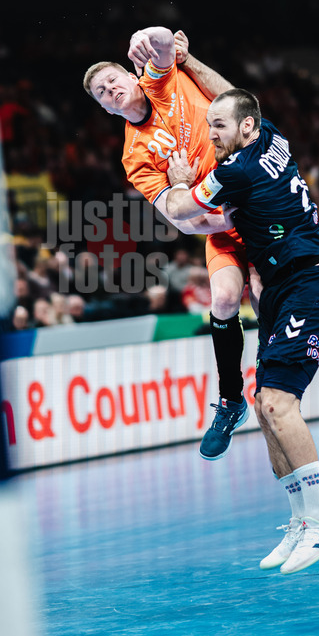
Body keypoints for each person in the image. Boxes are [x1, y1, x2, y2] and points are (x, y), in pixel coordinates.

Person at [165, 89, 319, 575]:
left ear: (246, 127)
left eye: (219, 127)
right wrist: (191, 60)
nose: (211, 136)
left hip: (310, 284)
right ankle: (302, 520)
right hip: (281, 291)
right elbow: (231, 91)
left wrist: (178, 180)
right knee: (266, 411)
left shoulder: (237, 170)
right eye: (209, 126)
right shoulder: (273, 138)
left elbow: (185, 211)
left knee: (276, 404)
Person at [84, 26, 255, 460]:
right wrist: (215, 213)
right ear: (104, 108)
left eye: (113, 80)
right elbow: (179, 216)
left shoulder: (158, 80)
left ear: (129, 74)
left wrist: (146, 36)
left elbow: (163, 43)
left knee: (269, 298)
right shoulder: (134, 156)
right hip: (220, 222)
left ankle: (274, 378)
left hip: (254, 198)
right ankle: (232, 401)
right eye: (102, 93)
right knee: (222, 300)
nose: (110, 90)